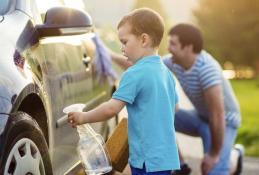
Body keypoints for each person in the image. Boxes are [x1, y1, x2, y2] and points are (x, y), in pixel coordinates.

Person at [68, 8, 180, 175]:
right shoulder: (166, 73)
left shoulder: (134, 73)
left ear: (143, 40)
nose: (122, 48)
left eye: (125, 42)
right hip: (166, 157)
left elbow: (111, 108)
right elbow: (175, 108)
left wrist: (84, 117)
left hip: (146, 159)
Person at [163, 23, 242, 175]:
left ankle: (234, 156)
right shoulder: (175, 61)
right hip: (201, 116)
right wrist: (108, 55)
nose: (168, 48)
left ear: (188, 47)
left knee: (213, 170)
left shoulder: (207, 69)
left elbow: (217, 115)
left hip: (225, 121)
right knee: (157, 115)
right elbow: (146, 66)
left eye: (172, 44)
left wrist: (213, 155)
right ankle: (180, 165)